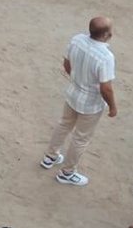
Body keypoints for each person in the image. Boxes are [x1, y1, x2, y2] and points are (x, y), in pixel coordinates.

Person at [40, 16, 116, 189]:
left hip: (73, 94)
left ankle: (50, 156)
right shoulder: (106, 57)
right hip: (91, 104)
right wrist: (113, 106)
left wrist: (77, 80)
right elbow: (106, 88)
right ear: (106, 34)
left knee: (64, 124)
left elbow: (67, 64)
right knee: (81, 138)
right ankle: (67, 173)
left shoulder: (77, 40)